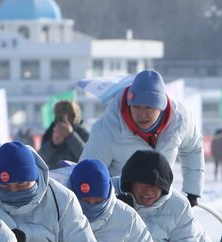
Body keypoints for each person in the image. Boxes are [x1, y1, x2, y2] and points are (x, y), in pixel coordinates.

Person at [80, 69, 205, 206]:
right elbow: (88, 175)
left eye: (148, 108)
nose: (141, 115)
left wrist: (192, 190)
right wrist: (115, 196)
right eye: (136, 107)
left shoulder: (180, 121)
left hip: (160, 204)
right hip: (120, 206)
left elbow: (193, 148)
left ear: (161, 107)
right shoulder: (108, 129)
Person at [39, 100, 89, 169]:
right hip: (55, 176)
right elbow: (40, 160)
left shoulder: (82, 133)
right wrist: (53, 144)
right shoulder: (50, 133)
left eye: (69, 117)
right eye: (59, 117)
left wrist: (71, 136)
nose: (64, 121)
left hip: (76, 175)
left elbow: (87, 157)